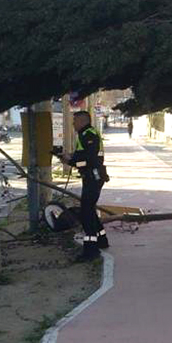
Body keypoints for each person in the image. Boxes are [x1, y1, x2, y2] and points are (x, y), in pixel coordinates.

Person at [58, 111, 109, 262]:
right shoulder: (85, 134)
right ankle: (102, 240)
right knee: (89, 209)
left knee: (86, 214)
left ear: (82, 120)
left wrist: (71, 162)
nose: (73, 124)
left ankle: (91, 250)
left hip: (94, 176)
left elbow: (89, 161)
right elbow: (84, 156)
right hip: (92, 176)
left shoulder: (88, 135)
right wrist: (71, 157)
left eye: (74, 121)